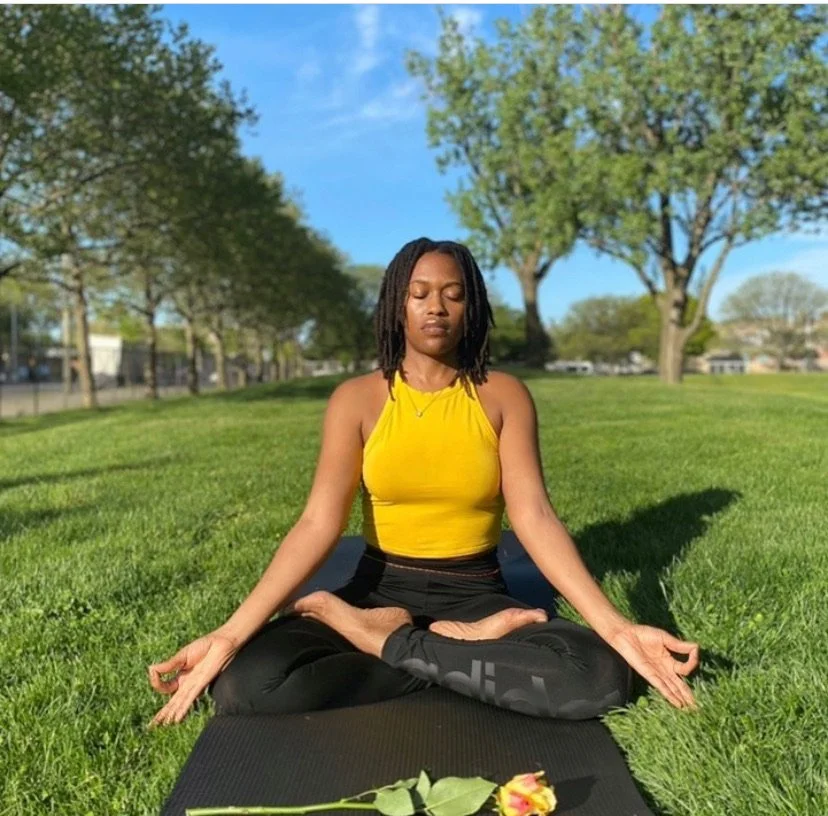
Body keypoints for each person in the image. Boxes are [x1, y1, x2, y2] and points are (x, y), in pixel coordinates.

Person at [148, 237, 699, 727]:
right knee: (249, 684)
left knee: (598, 677)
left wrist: (616, 627)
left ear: (471, 307)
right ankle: (430, 647)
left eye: (453, 294)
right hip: (377, 590)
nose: (436, 306)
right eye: (419, 293)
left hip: (476, 595)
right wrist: (229, 633)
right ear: (397, 306)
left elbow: (533, 516)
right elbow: (319, 521)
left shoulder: (503, 395)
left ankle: (393, 640)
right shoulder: (356, 400)